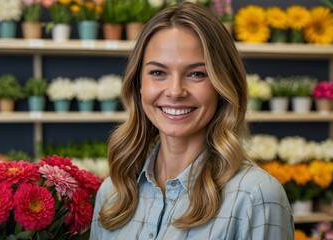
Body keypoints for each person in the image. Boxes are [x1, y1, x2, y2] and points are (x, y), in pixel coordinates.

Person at [90, 2, 294, 240]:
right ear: (138, 85)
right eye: (158, 72)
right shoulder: (113, 194)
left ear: (223, 86)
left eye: (197, 73)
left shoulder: (255, 196)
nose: (175, 91)